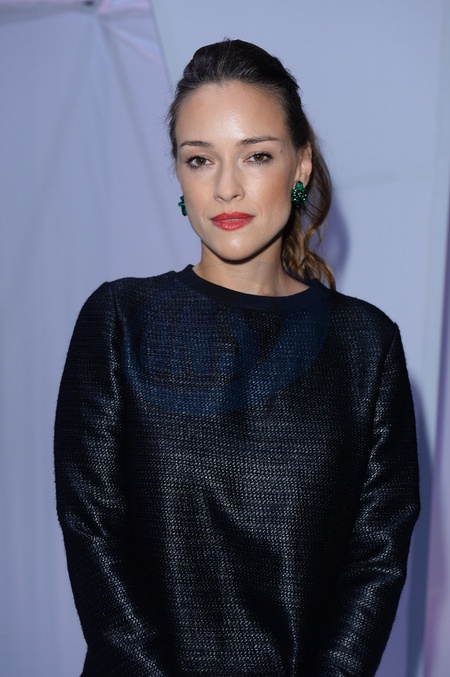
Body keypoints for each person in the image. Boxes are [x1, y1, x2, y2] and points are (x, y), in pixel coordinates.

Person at [54, 39, 420, 676]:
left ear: (300, 166)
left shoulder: (367, 346)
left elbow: (375, 563)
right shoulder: (119, 321)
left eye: (256, 155)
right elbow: (95, 537)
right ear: (178, 175)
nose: (226, 187)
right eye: (200, 160)